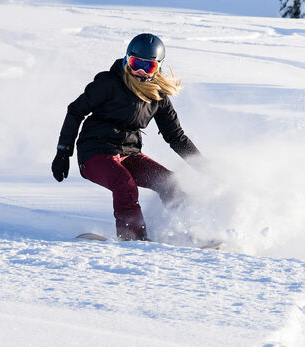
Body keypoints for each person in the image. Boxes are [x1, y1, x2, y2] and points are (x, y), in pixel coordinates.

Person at [52, 33, 200, 241]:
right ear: (126, 59)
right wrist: (63, 152)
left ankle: (192, 233)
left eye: (147, 66)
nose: (139, 71)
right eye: (134, 63)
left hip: (129, 153)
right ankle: (132, 238)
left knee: (169, 182)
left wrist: (204, 166)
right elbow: (76, 111)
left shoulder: (157, 96)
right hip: (95, 152)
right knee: (124, 182)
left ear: (157, 68)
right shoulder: (109, 83)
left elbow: (176, 137)